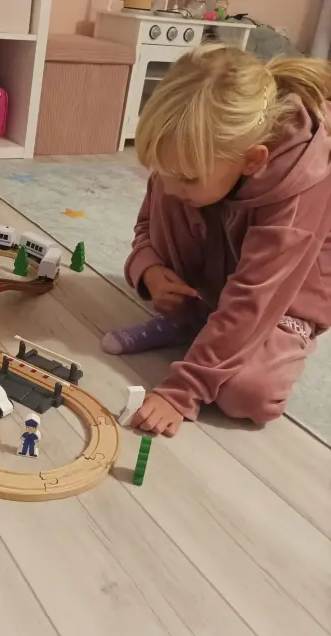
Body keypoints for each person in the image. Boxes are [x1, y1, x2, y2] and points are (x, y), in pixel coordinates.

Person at [102, 44, 331, 437]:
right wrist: (148, 268)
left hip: (285, 294)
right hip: (229, 273)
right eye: (162, 171)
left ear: (254, 160)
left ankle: (219, 329)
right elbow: (146, 227)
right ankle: (195, 318)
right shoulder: (188, 163)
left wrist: (182, 391)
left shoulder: (302, 183)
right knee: (177, 196)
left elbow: (256, 298)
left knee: (249, 394)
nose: (170, 186)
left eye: (187, 178)